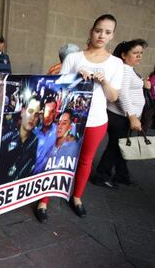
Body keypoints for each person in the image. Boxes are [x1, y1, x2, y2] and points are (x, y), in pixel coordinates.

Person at [46, 14, 123, 219]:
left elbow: (114, 96)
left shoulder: (116, 63)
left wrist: (104, 81)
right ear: (91, 30)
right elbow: (59, 89)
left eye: (107, 32)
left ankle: (77, 196)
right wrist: (75, 75)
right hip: (68, 118)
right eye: (98, 30)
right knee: (54, 155)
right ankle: (43, 198)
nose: (101, 35)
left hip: (97, 120)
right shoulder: (74, 58)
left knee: (86, 160)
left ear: (112, 36)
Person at [92, 39, 148, 188]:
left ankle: (121, 174)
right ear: (124, 55)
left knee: (122, 145)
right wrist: (132, 116)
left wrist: (142, 83)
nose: (139, 56)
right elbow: (122, 94)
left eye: (141, 53)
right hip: (121, 116)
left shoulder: (129, 69)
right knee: (116, 146)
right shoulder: (124, 69)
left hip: (124, 116)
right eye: (135, 53)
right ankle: (101, 176)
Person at [35, 109, 79, 222]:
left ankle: (77, 198)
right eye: (58, 123)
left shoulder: (72, 146)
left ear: (70, 126)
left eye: (64, 123)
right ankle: (43, 202)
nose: (60, 126)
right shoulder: (46, 138)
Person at [0, 95, 41, 186]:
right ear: (23, 111)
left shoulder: (34, 141)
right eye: (30, 111)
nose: (32, 118)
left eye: (36, 115)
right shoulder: (6, 136)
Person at [33, 95, 58, 174]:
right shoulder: (34, 132)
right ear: (42, 112)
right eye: (47, 111)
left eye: (52, 112)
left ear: (55, 113)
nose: (49, 116)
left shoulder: (58, 132)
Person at [142, 65, 155, 131]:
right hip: (152, 100)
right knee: (147, 118)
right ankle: (142, 133)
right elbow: (149, 86)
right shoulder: (153, 77)